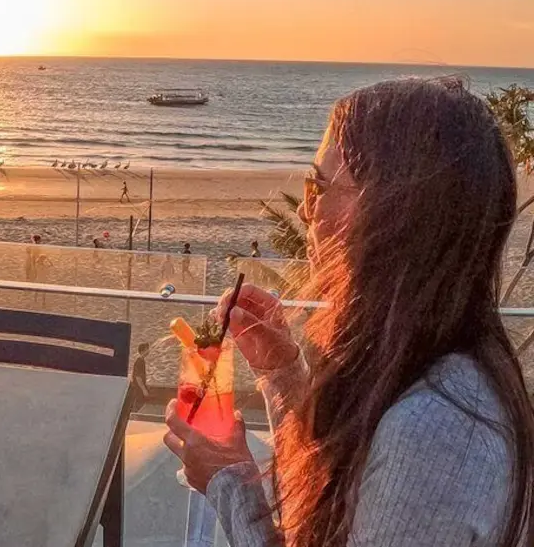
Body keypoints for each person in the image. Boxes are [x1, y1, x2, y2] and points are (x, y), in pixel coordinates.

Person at [163, 78, 534, 547]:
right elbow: (325, 514)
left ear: (392, 215)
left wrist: (228, 481)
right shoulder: (416, 364)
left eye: (318, 186)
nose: (305, 212)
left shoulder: (436, 428)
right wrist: (282, 373)